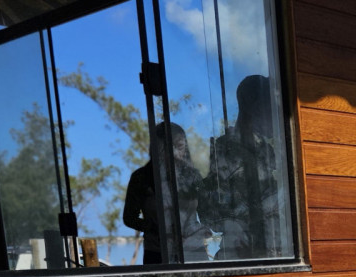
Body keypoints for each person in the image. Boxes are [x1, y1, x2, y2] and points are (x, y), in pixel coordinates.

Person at [200, 75, 288, 260]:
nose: (278, 111)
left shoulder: (267, 150)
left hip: (273, 255)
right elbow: (212, 215)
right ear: (253, 105)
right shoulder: (228, 149)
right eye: (272, 104)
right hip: (245, 257)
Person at [122, 121, 211, 265]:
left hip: (194, 251)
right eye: (167, 148)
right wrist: (156, 228)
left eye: (180, 147)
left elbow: (207, 210)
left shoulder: (193, 176)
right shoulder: (141, 178)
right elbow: (129, 217)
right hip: (157, 253)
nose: (175, 153)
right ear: (157, 149)